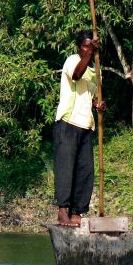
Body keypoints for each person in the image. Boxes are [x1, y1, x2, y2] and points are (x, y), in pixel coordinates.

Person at [53, 29, 105, 227]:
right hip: (68, 122)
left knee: (85, 171)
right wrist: (89, 53)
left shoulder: (96, 70)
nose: (87, 49)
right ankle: (63, 211)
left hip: (86, 125)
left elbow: (90, 96)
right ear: (79, 47)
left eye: (90, 46)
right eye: (85, 45)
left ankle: (77, 211)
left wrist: (97, 105)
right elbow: (76, 76)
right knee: (66, 169)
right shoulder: (73, 60)